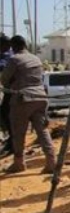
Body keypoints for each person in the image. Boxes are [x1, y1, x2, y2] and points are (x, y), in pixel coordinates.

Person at [0, 35, 56, 173]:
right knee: (42, 131)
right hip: (40, 97)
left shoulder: (14, 59)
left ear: (13, 47)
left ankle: (19, 162)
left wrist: (11, 84)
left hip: (22, 99)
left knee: (18, 132)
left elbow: (4, 79)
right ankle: (51, 161)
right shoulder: (36, 58)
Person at [0, 34, 13, 157]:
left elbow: (2, 66)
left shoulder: (8, 55)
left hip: (12, 91)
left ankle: (12, 140)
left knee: (5, 113)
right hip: (8, 90)